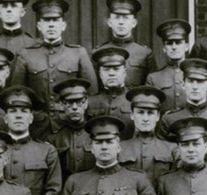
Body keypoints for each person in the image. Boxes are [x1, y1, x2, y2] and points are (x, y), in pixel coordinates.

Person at [10, 0, 98, 141]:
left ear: (63, 25)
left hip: (69, 125)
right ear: (39, 26)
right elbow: (17, 95)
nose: (51, 24)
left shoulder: (78, 53)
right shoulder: (26, 55)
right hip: (37, 127)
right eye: (46, 20)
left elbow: (92, 95)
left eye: (55, 20)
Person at [156, 58, 207, 170]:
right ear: (183, 85)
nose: (195, 87)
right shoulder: (169, 119)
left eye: (200, 82)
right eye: (190, 81)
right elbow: (162, 157)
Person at [146, 19, 207, 113]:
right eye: (169, 43)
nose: (174, 47)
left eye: (178, 42)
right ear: (164, 48)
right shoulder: (154, 79)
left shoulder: (200, 75)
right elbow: (150, 112)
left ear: (186, 46)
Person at [118, 86, 178, 187]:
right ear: (132, 115)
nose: (145, 118)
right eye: (140, 112)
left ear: (158, 116)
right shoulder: (119, 148)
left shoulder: (171, 149)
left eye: (150, 113)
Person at [93, 0, 156, 87]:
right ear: (109, 22)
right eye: (117, 17)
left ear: (134, 23)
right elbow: (94, 87)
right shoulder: (98, 52)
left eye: (126, 18)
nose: (121, 22)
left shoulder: (145, 53)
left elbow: (151, 86)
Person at [46, 78, 98, 180]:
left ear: (86, 103)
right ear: (61, 105)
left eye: (79, 102)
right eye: (69, 103)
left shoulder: (96, 134)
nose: (74, 107)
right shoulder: (54, 137)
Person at [88, 47, 134, 139]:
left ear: (124, 72)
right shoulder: (90, 102)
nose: (111, 73)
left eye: (116, 69)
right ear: (100, 73)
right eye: (106, 69)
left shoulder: (133, 99)